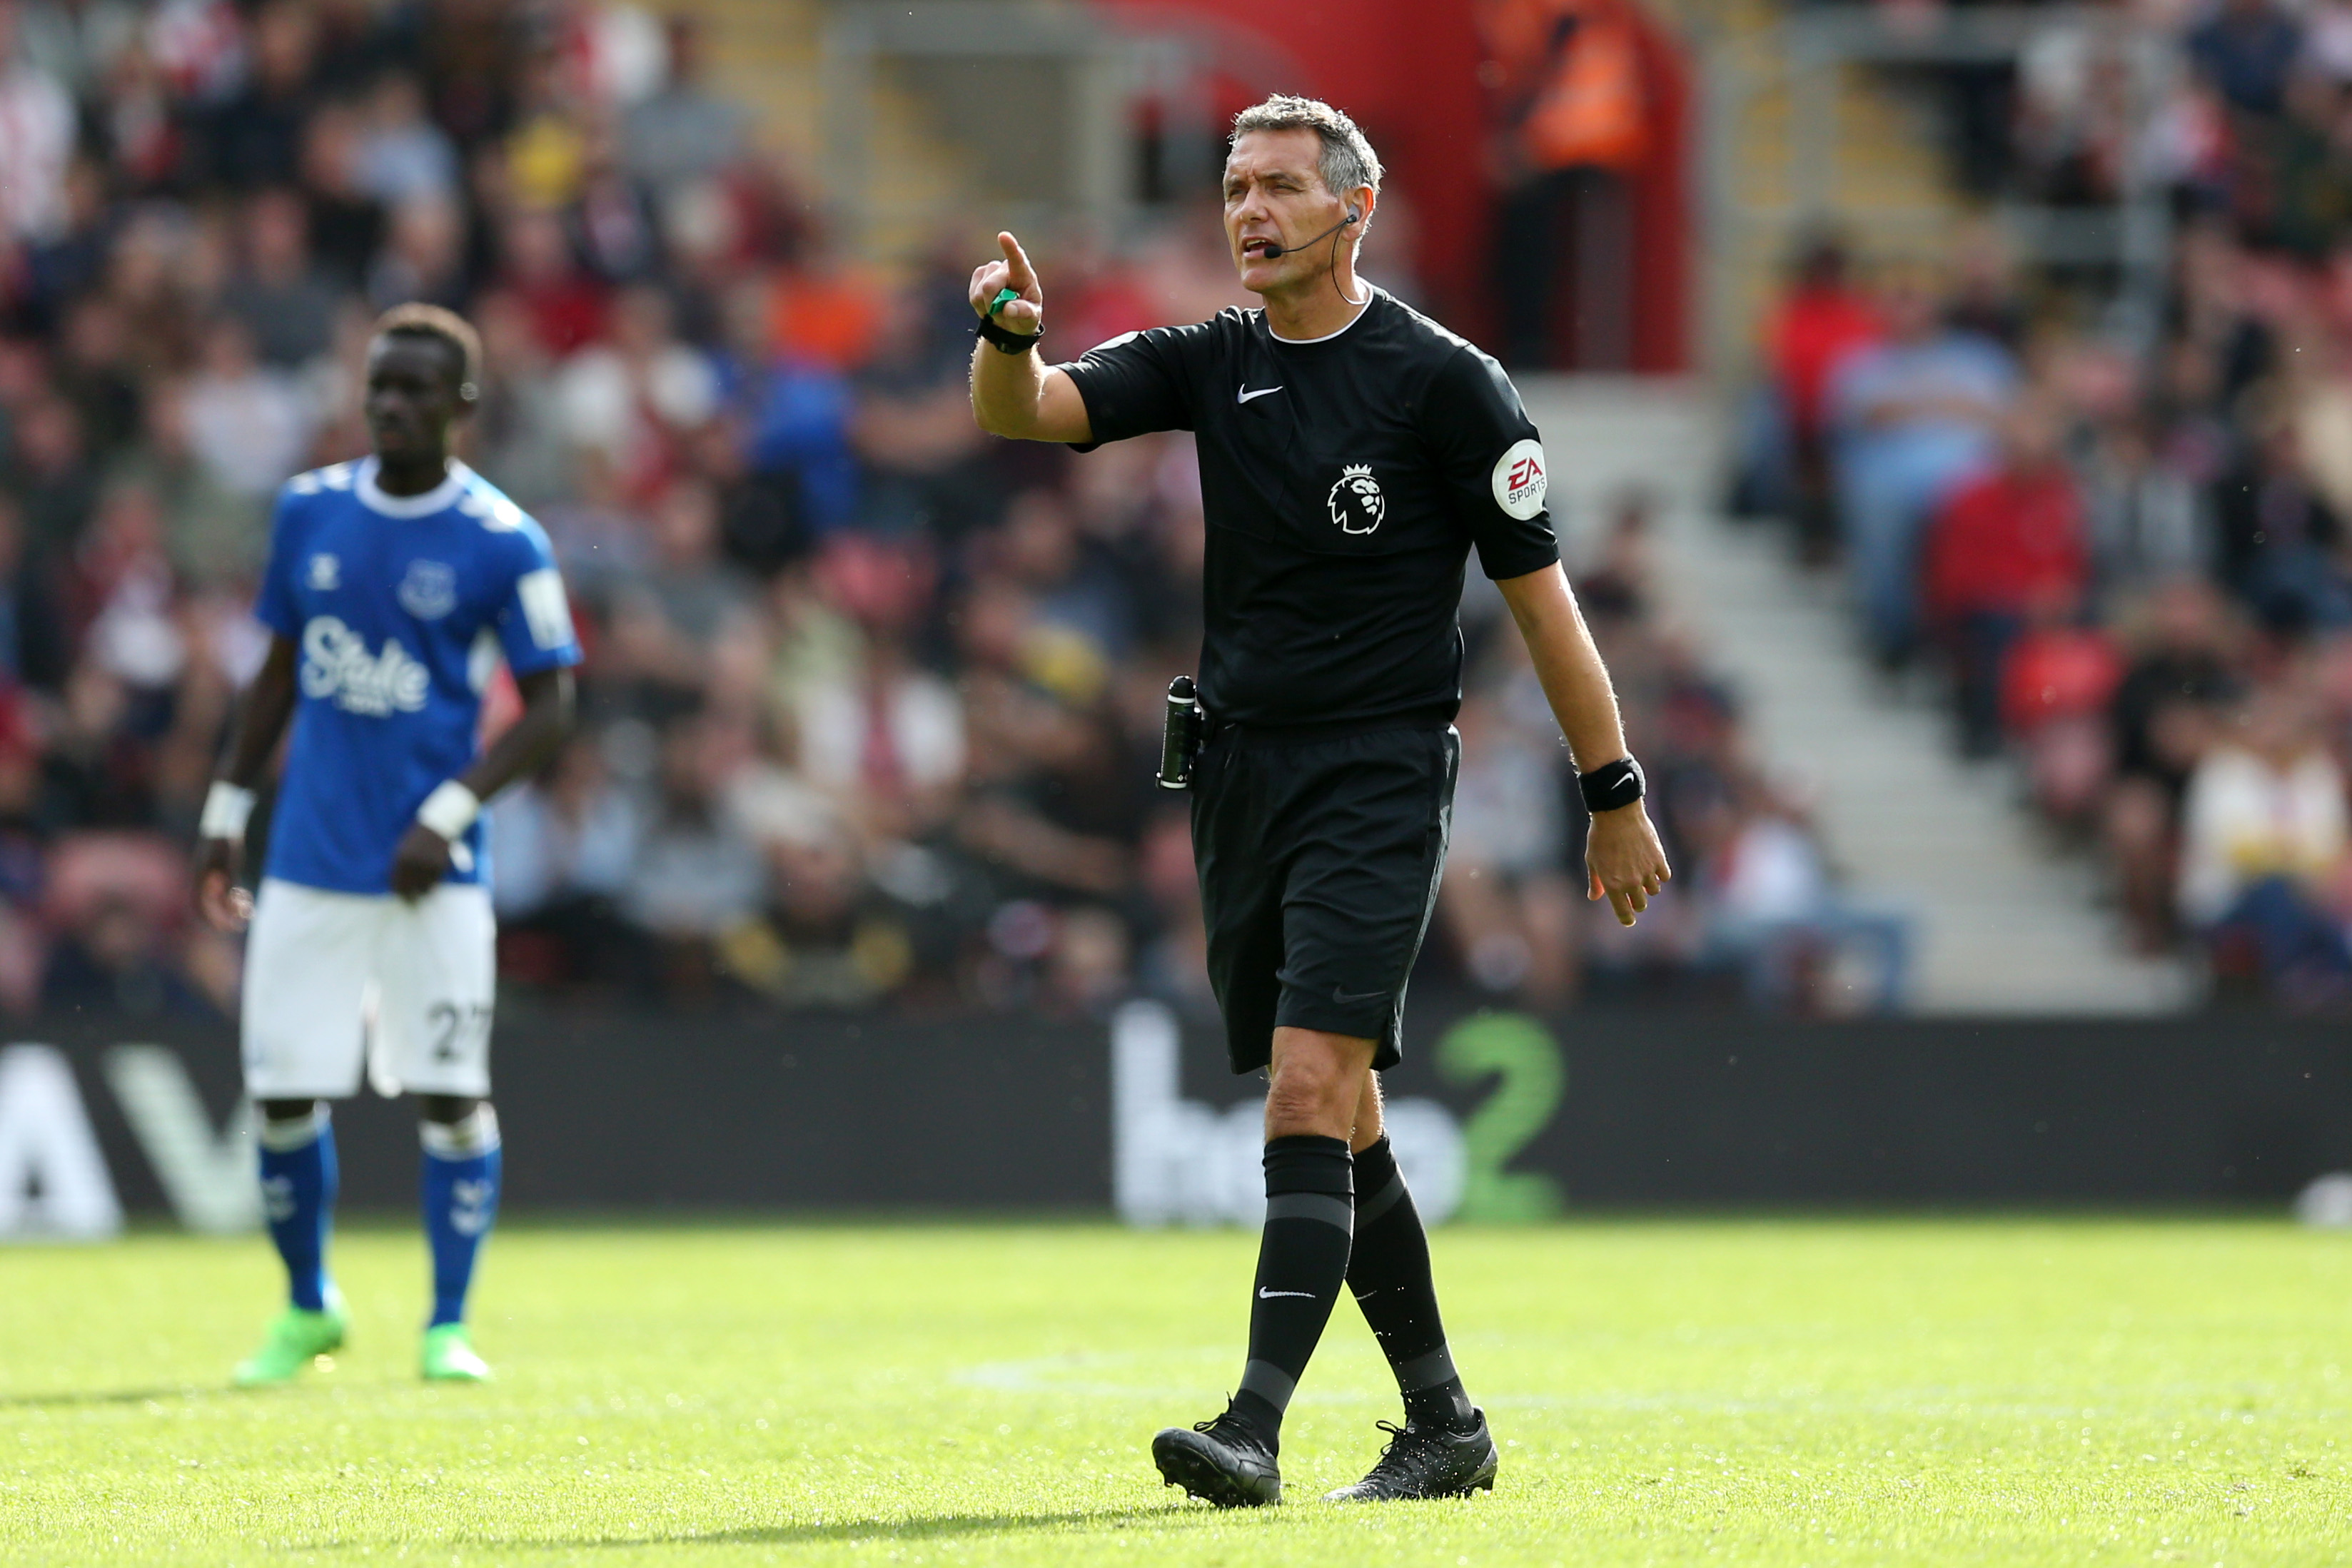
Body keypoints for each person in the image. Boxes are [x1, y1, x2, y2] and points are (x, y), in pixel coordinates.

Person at [967, 95, 1670, 1506]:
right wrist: (1006, 336)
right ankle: (1445, 1426)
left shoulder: (1444, 384)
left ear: (1353, 207)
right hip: (1237, 772)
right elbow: (1031, 416)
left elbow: (1544, 610)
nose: (1249, 211)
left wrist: (1614, 792)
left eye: (1281, 186)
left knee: (1306, 1079)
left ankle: (1253, 1425)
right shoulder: (1207, 359)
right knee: (1339, 1110)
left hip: (1378, 773)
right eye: (1235, 188)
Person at [193, 305, 581, 1386]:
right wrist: (226, 816)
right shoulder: (309, 512)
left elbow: (552, 706)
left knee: (450, 1090)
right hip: (312, 856)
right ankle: (307, 1304)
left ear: (463, 406)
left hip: (434, 870)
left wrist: (450, 813)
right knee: (281, 1091)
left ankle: (446, 1323)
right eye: (379, 388)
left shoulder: (505, 539)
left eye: (417, 390)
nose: (393, 406)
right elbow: (277, 676)